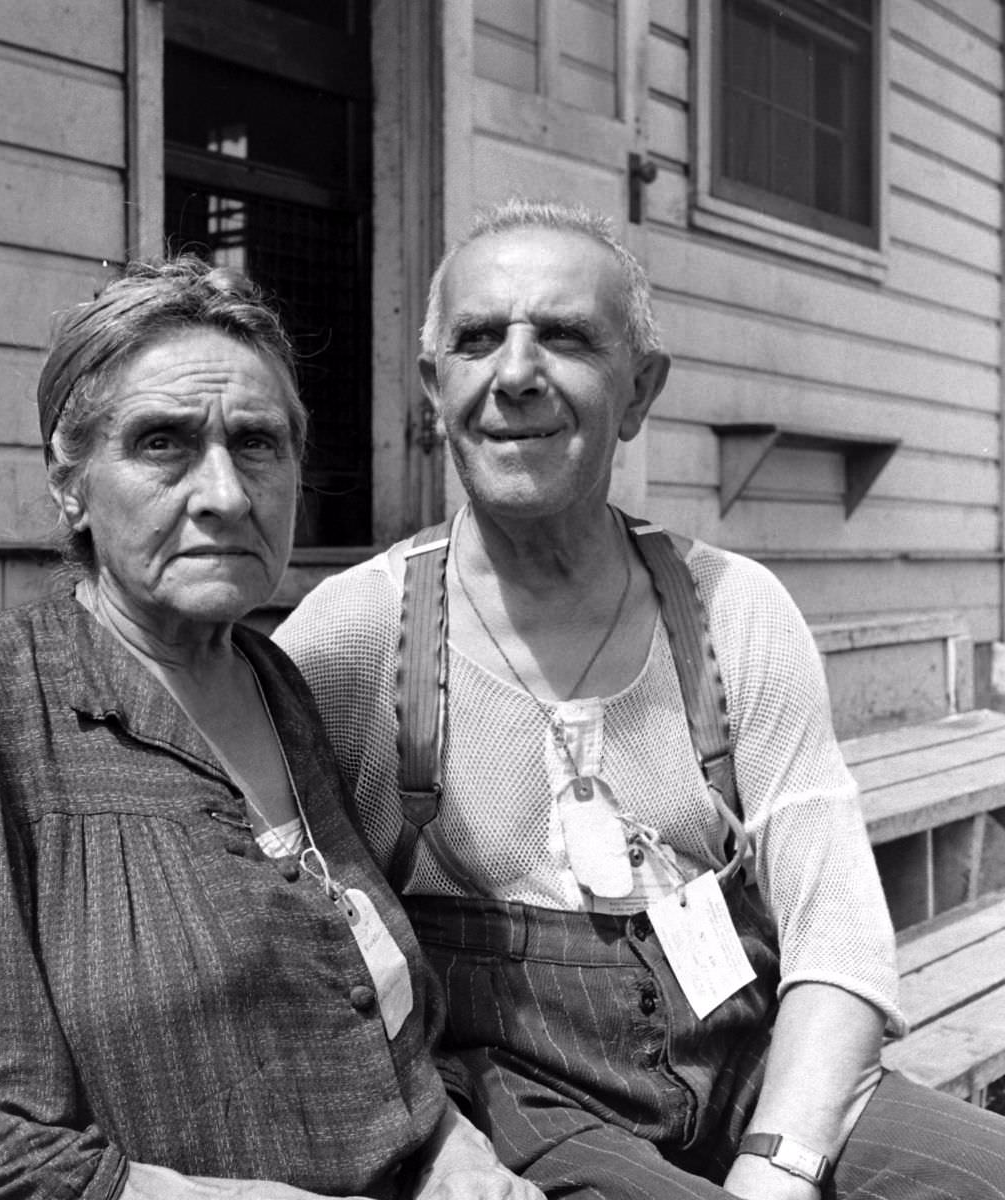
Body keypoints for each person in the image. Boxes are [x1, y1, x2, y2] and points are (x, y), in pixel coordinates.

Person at [275, 199, 1005, 1199]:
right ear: (434, 388)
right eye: (479, 339)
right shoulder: (352, 633)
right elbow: (289, 932)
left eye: (567, 337)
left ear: (640, 389)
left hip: (743, 1058)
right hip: (521, 1094)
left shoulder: (730, 610)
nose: (516, 374)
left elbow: (834, 923)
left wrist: (780, 1166)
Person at [0, 255, 544, 1200]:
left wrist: (456, 1149)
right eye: (164, 443)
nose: (227, 495)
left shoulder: (275, 685)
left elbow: (377, 1012)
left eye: (258, 443)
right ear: (70, 481)